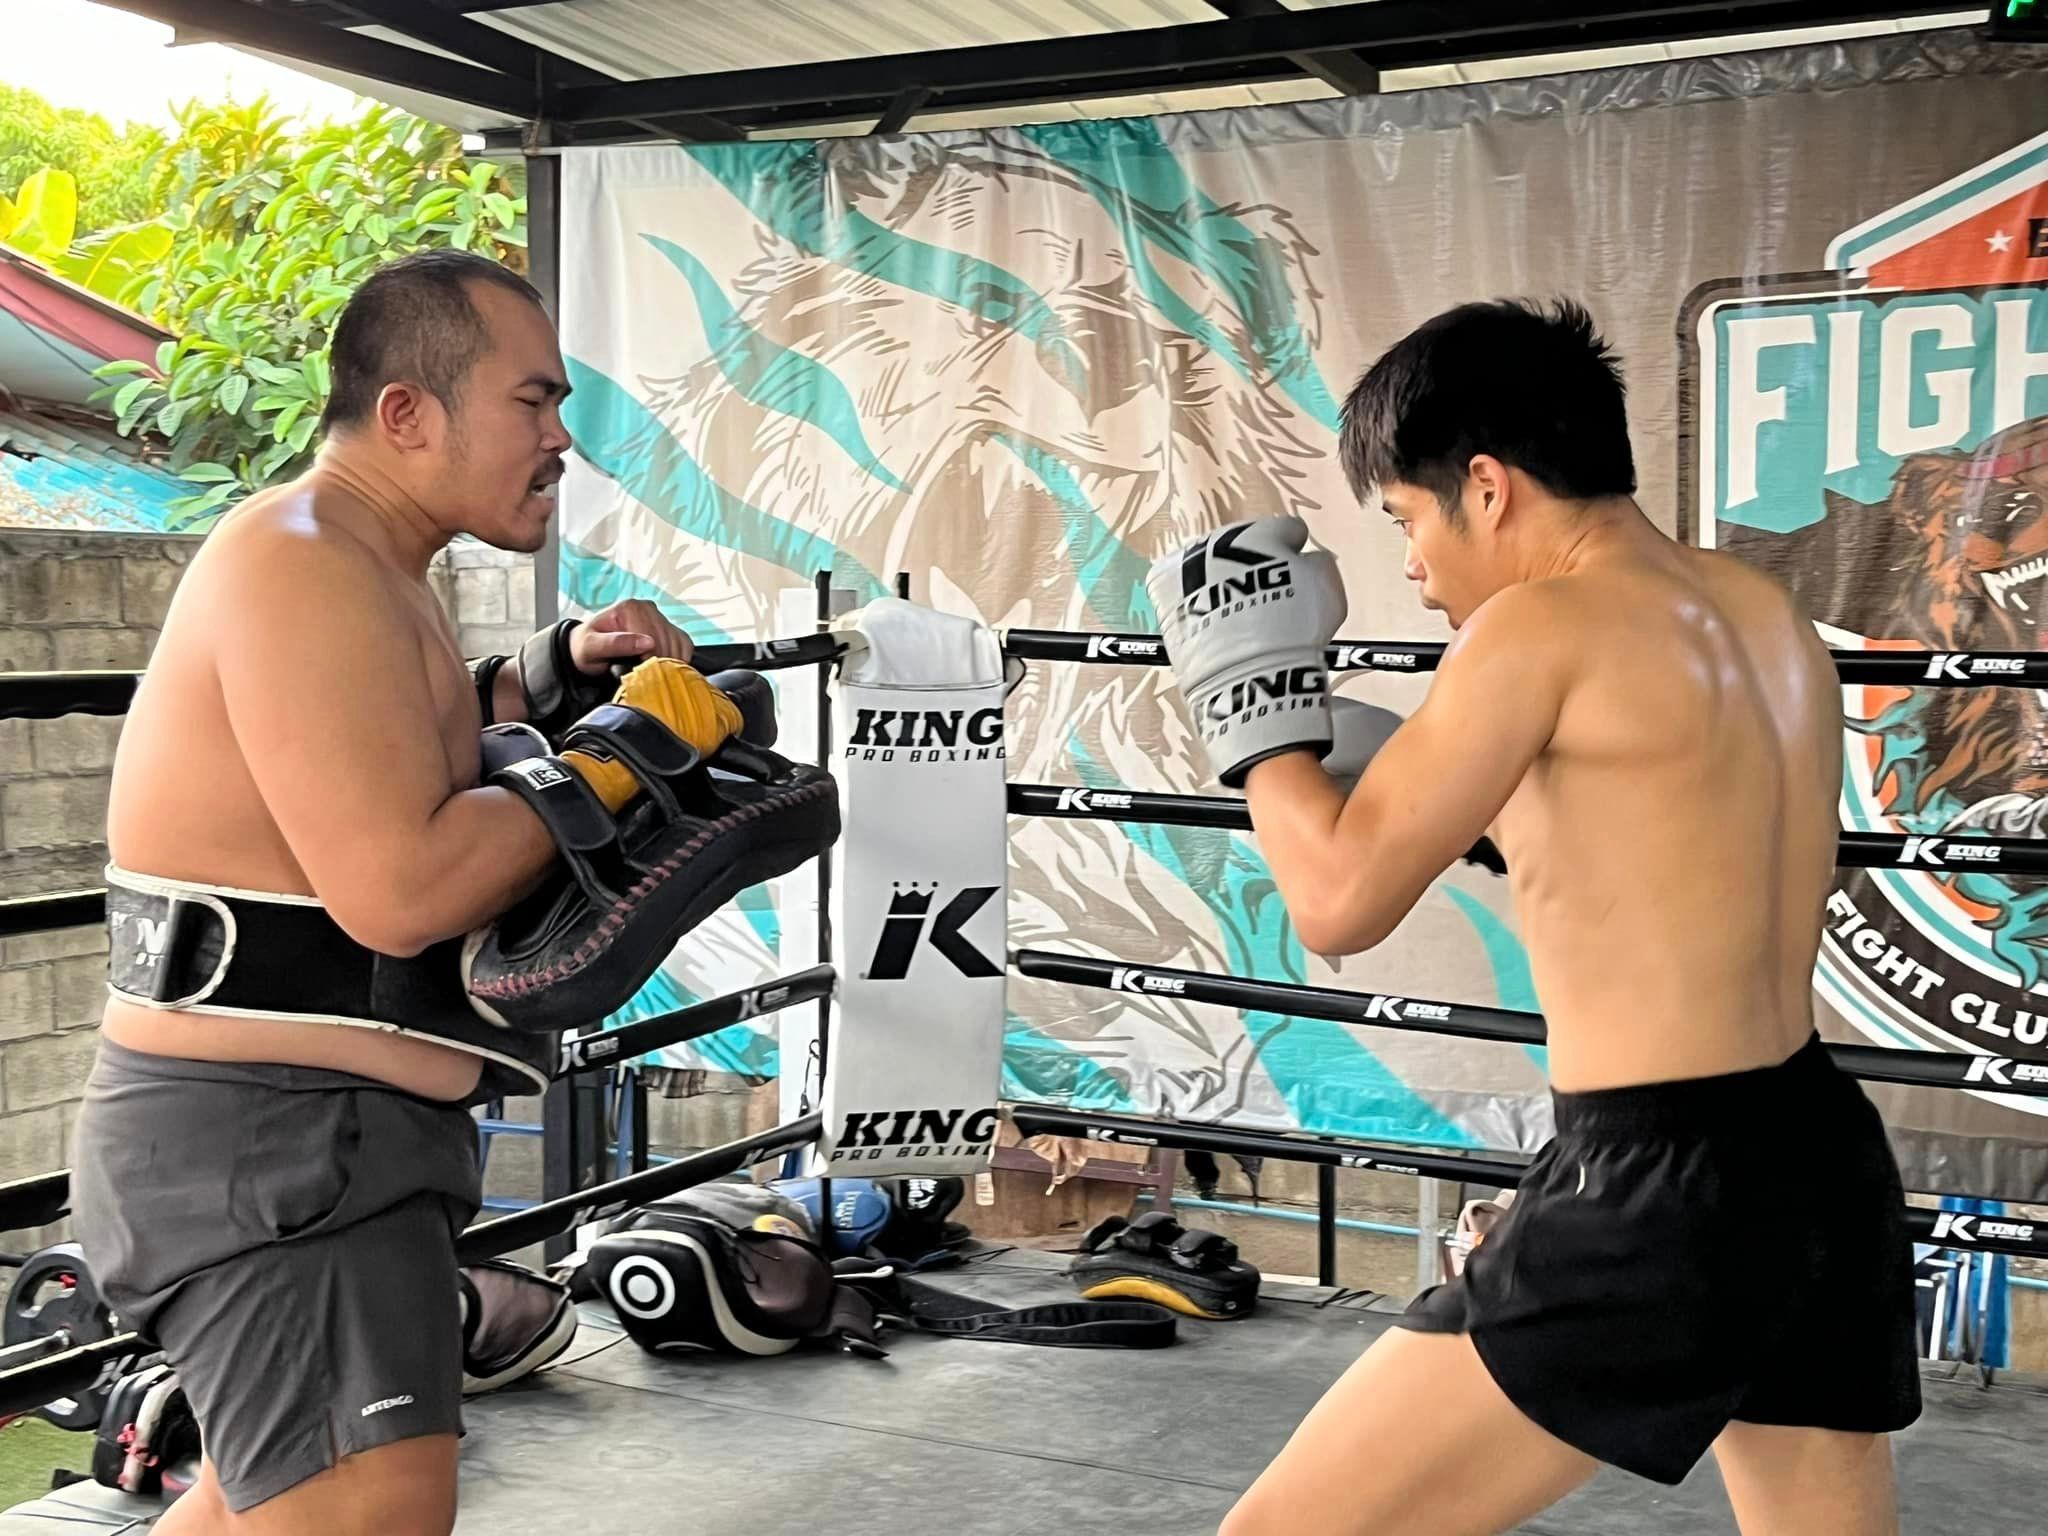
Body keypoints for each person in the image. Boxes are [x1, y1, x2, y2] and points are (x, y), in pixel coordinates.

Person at [1146, 298, 1920, 1536]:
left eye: (1406, 518)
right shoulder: (1762, 613)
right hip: (1815, 1156)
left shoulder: (1534, 628)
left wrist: (1255, 718)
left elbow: (1335, 903)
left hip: (1658, 1186)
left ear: (1488, 487)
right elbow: (1678, 845)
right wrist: (1412, 775)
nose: (1410, 563)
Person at [70, 249, 735, 1535]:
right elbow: (399, 888)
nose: (559, 441)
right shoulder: (302, 556)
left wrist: (552, 677)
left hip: (318, 1145)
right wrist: (624, 753)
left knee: (276, 1509)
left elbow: (381, 744)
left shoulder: (371, 563)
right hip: (276, 1146)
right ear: (407, 414)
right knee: (369, 1513)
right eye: (531, 403)